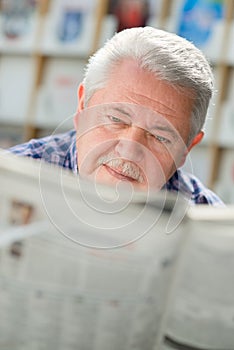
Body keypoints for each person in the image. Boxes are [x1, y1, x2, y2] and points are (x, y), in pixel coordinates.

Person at [9, 26, 223, 205]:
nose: (130, 150)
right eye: (116, 119)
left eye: (160, 137)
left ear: (187, 148)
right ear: (83, 106)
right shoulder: (10, 182)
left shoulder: (209, 222)